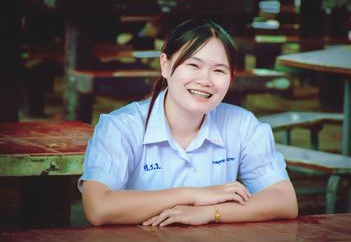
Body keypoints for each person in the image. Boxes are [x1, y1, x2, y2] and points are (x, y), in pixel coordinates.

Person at [78, 18, 298, 227]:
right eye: (193, 65)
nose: (205, 80)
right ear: (165, 65)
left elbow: (284, 201)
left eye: (218, 70)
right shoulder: (121, 127)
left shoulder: (242, 124)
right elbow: (98, 207)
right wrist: (193, 195)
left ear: (231, 78)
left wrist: (211, 212)